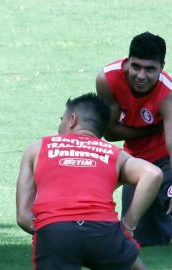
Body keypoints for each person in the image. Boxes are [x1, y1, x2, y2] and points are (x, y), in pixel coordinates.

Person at [16, 93, 163, 270]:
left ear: (72, 120)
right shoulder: (114, 154)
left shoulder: (37, 148)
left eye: (61, 119)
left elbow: (24, 218)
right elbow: (153, 174)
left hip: (56, 230)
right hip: (103, 231)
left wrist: (58, 235)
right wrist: (128, 224)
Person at [96, 31, 172, 246]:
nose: (141, 75)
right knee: (144, 239)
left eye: (150, 69)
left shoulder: (168, 93)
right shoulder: (107, 79)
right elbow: (110, 132)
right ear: (127, 61)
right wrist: (153, 128)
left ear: (161, 67)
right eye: (136, 66)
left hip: (166, 158)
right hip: (136, 160)